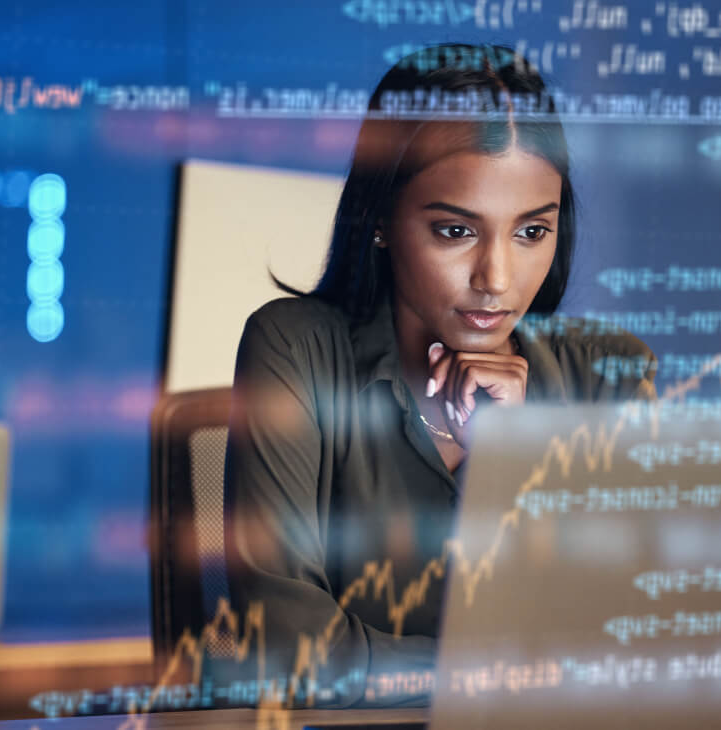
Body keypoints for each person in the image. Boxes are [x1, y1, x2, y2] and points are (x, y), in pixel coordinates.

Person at [222, 43, 656, 709]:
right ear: (380, 221)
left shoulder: (611, 375)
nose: (498, 280)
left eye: (531, 233)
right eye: (456, 231)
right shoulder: (296, 348)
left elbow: (632, 647)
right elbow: (290, 649)